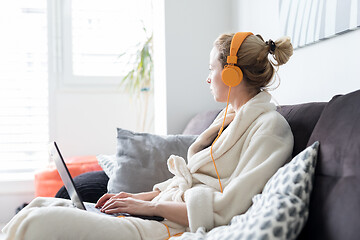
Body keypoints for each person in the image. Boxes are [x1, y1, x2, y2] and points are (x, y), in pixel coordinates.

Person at [1, 32, 294, 240]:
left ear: (232, 75)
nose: (207, 78)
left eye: (211, 69)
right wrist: (133, 198)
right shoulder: (226, 119)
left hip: (172, 227)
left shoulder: (270, 128)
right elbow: (187, 180)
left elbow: (229, 208)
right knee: (39, 205)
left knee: (38, 223)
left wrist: (148, 207)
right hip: (158, 212)